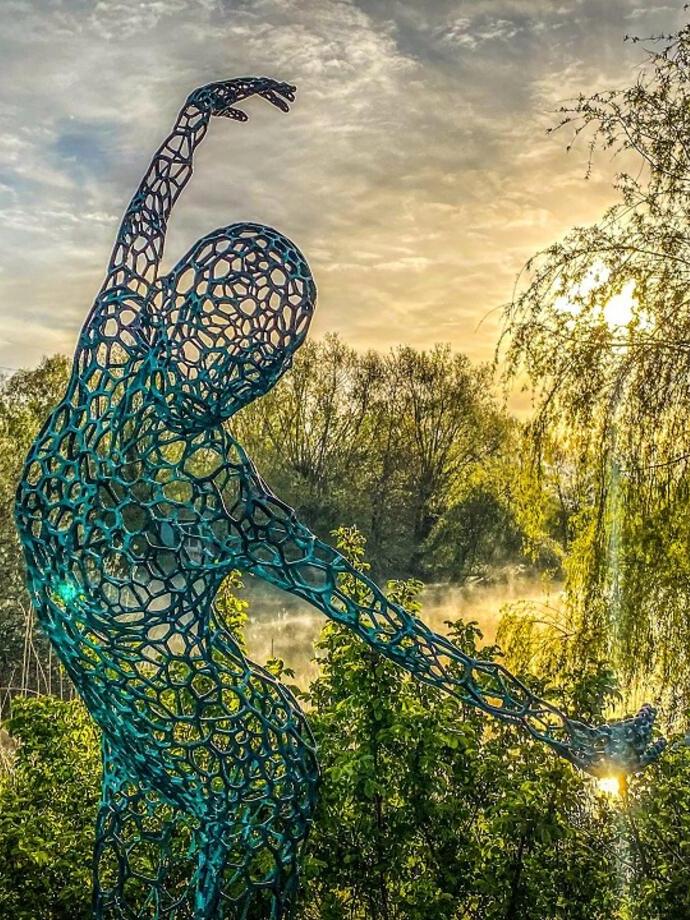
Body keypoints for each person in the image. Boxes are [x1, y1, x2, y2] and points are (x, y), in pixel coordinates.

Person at [15, 77, 665, 920]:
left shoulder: (209, 474)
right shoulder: (111, 378)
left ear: (264, 378)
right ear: (171, 306)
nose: (226, 369)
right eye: (228, 343)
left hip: (237, 765)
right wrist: (187, 126)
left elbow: (376, 617)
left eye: (249, 360)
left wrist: (566, 732)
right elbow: (137, 237)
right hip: (152, 741)